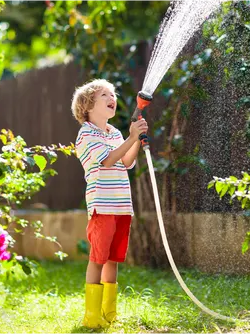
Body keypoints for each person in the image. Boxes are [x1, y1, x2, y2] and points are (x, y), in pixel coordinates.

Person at [72, 79, 148, 328]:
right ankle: (92, 316)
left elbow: (126, 161)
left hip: (121, 206)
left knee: (113, 259)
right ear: (88, 107)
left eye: (112, 93)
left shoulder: (114, 133)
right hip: (102, 206)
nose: (111, 97)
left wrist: (135, 139)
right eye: (104, 94)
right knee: (98, 258)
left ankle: (108, 312)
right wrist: (131, 136)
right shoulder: (86, 133)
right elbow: (106, 160)